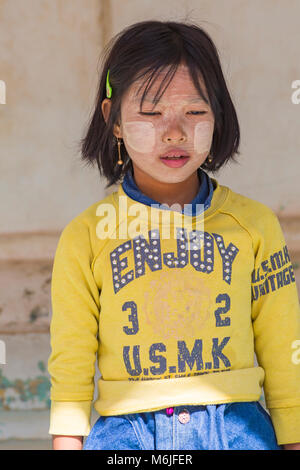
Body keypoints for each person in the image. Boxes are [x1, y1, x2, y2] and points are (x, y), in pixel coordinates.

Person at [48, 20, 300, 450]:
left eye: (195, 111)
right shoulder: (85, 237)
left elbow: (284, 350)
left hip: (236, 429)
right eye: (150, 112)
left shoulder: (254, 226)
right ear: (114, 121)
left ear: (218, 115)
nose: (175, 131)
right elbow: (70, 364)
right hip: (125, 436)